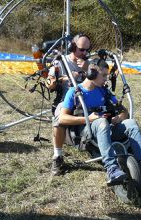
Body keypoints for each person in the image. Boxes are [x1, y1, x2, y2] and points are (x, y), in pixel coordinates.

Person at [57, 59, 141, 185]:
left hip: (107, 129)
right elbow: (62, 118)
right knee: (102, 122)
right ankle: (112, 169)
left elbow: (124, 111)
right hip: (87, 132)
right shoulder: (75, 92)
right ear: (92, 74)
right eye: (103, 75)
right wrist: (88, 118)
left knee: (131, 123)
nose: (106, 79)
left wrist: (119, 118)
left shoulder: (104, 91)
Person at [46, 34, 91, 175]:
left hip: (86, 99)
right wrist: (63, 78)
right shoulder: (60, 62)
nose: (84, 54)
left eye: (87, 50)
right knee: (60, 119)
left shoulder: (88, 62)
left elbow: (100, 81)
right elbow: (49, 84)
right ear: (72, 47)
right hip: (66, 100)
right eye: (81, 50)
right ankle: (57, 156)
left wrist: (87, 69)